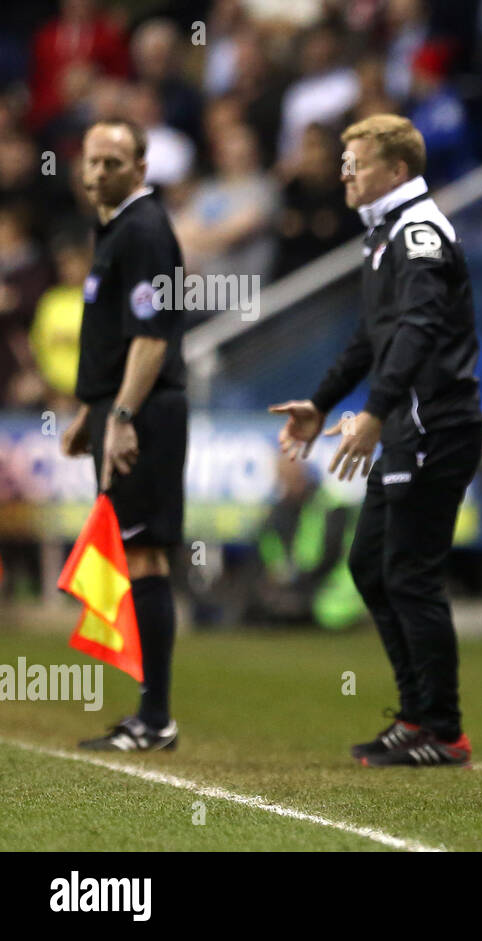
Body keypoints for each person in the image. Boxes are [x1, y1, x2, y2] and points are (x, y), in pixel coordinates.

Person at [270, 114, 482, 768]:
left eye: (355, 163)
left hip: (431, 426)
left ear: (395, 170)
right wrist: (324, 402)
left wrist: (376, 412)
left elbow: (418, 328)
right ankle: (418, 715)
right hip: (409, 426)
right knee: (371, 566)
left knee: (409, 575)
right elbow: (375, 335)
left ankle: (443, 730)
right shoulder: (385, 233)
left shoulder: (417, 232)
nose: (343, 173)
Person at [63, 119, 186, 751]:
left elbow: (151, 335)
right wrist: (93, 407)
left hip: (146, 412)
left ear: (141, 167)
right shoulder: (115, 229)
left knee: (144, 554)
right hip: (121, 405)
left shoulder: (142, 230)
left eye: (114, 162)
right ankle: (150, 714)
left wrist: (123, 416)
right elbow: (116, 334)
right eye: (92, 161)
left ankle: (155, 717)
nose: (99, 173)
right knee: (136, 553)